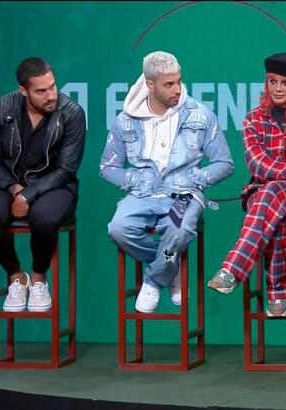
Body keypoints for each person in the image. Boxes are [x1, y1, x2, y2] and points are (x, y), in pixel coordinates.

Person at [100, 51, 233, 313]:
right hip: (142, 194)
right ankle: (169, 268)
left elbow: (224, 163)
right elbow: (107, 167)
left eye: (179, 81)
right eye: (168, 84)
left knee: (179, 228)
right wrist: (133, 179)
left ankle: (152, 281)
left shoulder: (200, 115)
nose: (177, 89)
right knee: (118, 228)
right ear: (150, 85)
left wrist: (196, 179)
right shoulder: (125, 120)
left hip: (183, 194)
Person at [207, 52, 286, 318]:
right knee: (272, 200)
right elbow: (257, 164)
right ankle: (277, 297)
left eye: (285, 83)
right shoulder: (254, 119)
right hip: (270, 193)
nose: (278, 89)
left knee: (270, 193)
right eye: (273, 82)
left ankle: (233, 270)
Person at [0, 57, 86, 312]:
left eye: (53, 87)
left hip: (56, 186)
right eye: (41, 91)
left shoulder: (72, 113)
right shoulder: (2, 108)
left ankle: (37, 277)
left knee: (44, 218)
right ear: (23, 91)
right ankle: (16, 276)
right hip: (12, 184)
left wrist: (29, 195)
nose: (51, 95)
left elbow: (66, 169)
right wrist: (15, 190)